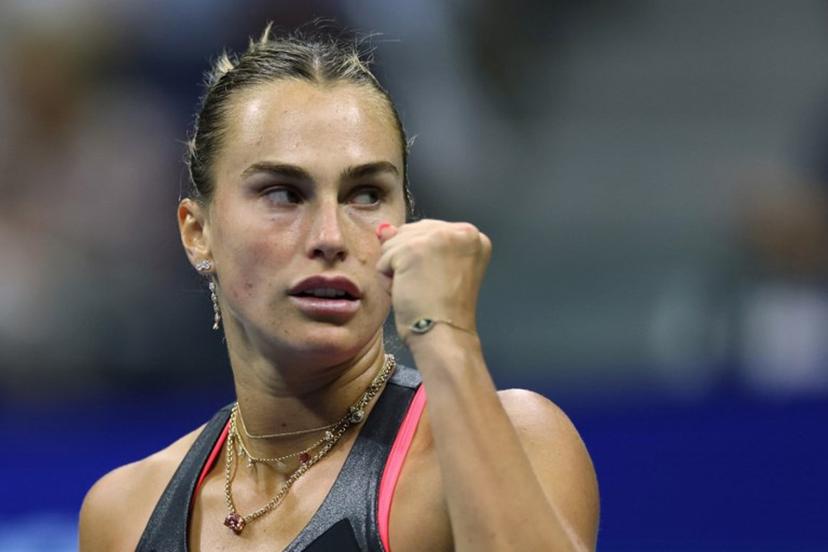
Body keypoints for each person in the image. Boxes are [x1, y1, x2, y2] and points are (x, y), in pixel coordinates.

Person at [79, 24, 599, 552]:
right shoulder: (124, 512)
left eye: (366, 194)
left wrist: (448, 339)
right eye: (283, 193)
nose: (330, 237)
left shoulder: (518, 438)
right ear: (198, 232)